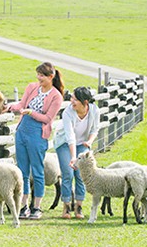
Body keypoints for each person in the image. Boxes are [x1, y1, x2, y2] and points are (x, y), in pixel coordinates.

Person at [6, 62, 64, 220]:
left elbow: (47, 118)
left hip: (38, 134)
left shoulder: (56, 96)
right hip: (22, 131)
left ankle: (36, 207)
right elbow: (21, 105)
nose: (39, 78)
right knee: (22, 170)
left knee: (37, 171)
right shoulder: (32, 87)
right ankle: (23, 205)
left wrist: (31, 112)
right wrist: (10, 106)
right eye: (38, 74)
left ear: (51, 77)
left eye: (42, 76)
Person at [53, 86, 100, 219]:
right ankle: (66, 206)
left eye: (75, 99)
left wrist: (89, 142)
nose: (72, 101)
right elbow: (70, 136)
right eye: (71, 98)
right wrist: (73, 157)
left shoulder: (94, 111)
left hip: (83, 143)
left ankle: (78, 207)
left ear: (85, 102)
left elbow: (95, 129)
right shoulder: (68, 112)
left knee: (81, 174)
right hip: (64, 143)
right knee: (68, 173)